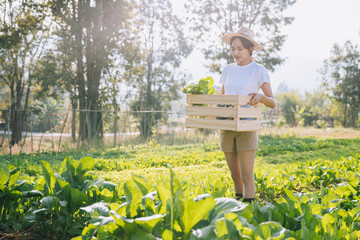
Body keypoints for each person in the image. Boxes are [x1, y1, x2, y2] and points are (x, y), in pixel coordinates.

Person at [219, 26, 276, 203]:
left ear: (250, 48)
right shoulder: (227, 70)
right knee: (234, 175)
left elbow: (272, 102)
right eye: (232, 49)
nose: (235, 53)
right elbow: (222, 98)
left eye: (240, 49)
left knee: (246, 175)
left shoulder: (258, 70)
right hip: (227, 125)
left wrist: (260, 97)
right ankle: (237, 207)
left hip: (247, 124)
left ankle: (249, 209)